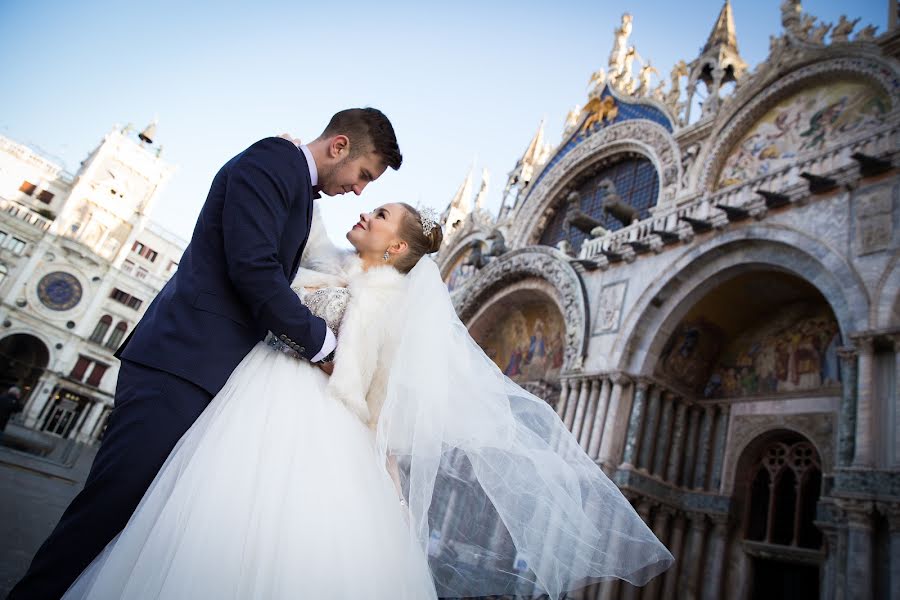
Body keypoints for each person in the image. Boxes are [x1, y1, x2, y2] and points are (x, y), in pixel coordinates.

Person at [60, 203, 672, 600]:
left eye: (379, 214)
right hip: (248, 400)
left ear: (397, 249)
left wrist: (386, 474)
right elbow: (310, 238)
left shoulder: (386, 300)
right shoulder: (335, 264)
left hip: (312, 420)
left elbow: (377, 393)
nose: (366, 212)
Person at [8, 107, 403, 600]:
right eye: (363, 175)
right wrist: (325, 345)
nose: (361, 191)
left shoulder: (299, 191)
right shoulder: (273, 162)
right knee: (110, 507)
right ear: (339, 146)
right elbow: (254, 269)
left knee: (139, 518)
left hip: (203, 372)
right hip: (181, 363)